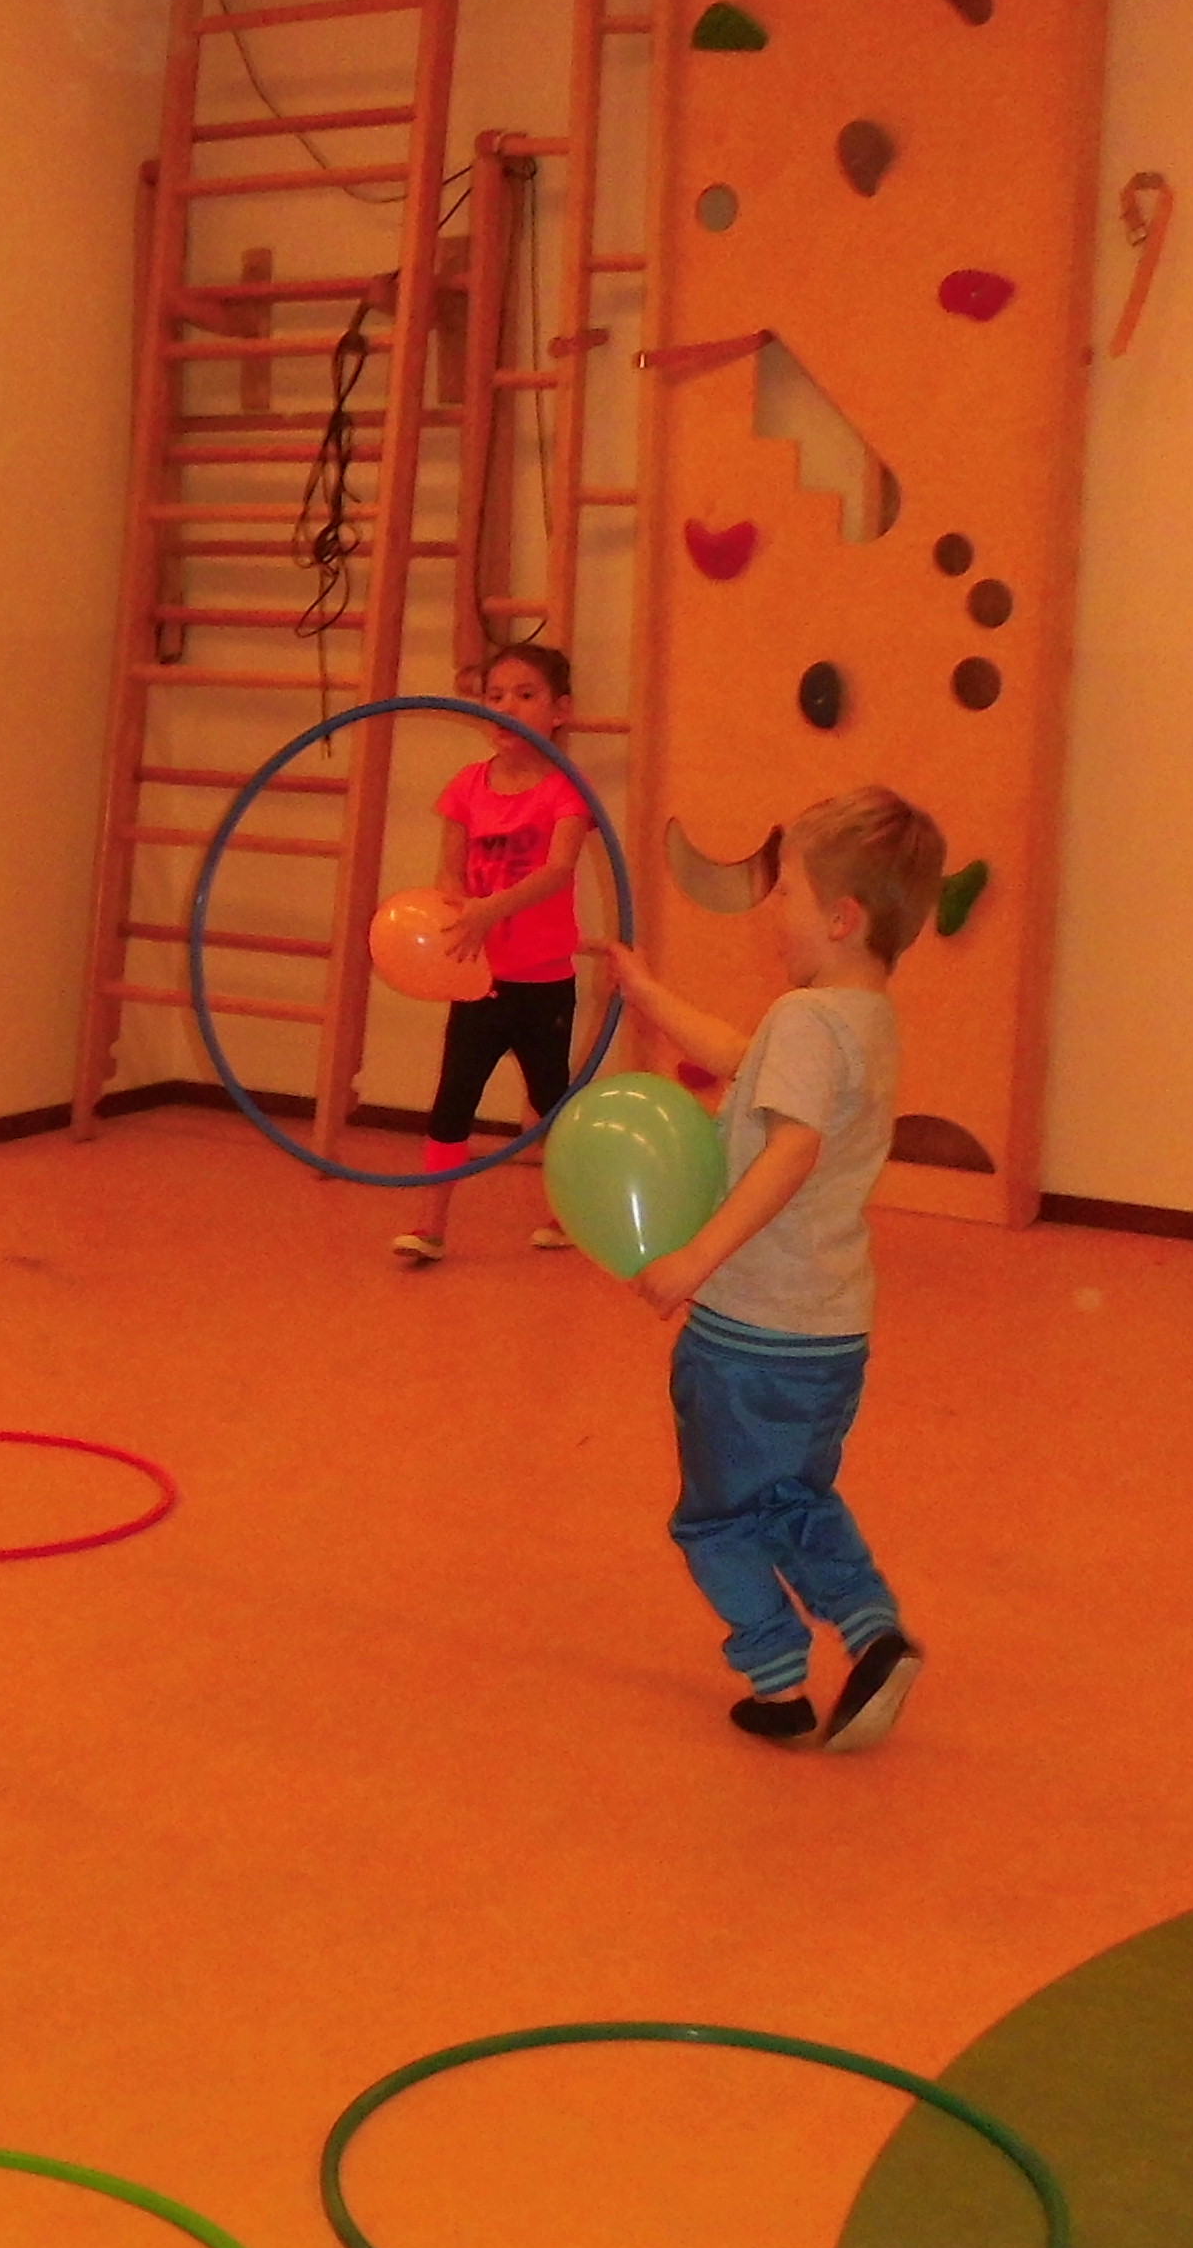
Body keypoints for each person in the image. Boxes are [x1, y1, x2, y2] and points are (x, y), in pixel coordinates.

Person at [598, 787, 945, 1752]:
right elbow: (745, 1062)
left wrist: (695, 1261)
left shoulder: (806, 1017)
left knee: (716, 1521)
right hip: (831, 1337)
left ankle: (777, 1677)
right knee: (795, 1498)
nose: (769, 909)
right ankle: (872, 1631)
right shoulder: (862, 1021)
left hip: (750, 1335)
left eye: (784, 890)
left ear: (840, 919)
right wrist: (648, 993)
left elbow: (787, 1150)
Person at [393, 639, 597, 1266]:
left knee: (550, 1100)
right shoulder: (467, 787)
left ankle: (563, 1213)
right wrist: (460, 913)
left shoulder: (565, 791)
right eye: (495, 696)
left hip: (542, 981)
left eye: (526, 695)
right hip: (480, 980)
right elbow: (449, 873)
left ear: (559, 709)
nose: (507, 706)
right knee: (454, 1096)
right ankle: (430, 1224)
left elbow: (558, 871)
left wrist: (490, 910)